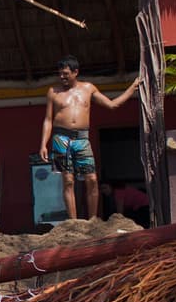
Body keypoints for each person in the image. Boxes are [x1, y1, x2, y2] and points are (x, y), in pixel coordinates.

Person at [38, 56, 140, 220]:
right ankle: (73, 222)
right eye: (60, 74)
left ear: (75, 72)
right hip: (60, 139)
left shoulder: (88, 88)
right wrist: (43, 144)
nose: (62, 77)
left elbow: (112, 105)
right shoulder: (53, 92)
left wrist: (132, 88)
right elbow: (48, 120)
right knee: (68, 180)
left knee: (91, 179)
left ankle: (92, 220)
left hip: (82, 139)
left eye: (65, 74)